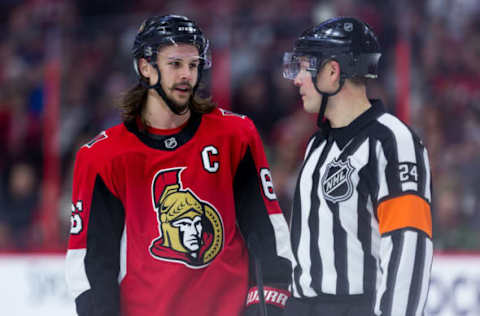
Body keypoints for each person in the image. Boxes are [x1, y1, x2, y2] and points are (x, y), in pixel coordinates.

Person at [65, 14, 292, 316]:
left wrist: (268, 303)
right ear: (146, 67)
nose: (187, 74)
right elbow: (91, 262)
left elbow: (269, 232)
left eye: (194, 64)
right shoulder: (103, 155)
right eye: (175, 64)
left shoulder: (236, 135)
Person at [281, 17, 433, 316]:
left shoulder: (391, 141)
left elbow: (408, 246)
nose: (297, 79)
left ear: (332, 71)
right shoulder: (317, 144)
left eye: (303, 67)